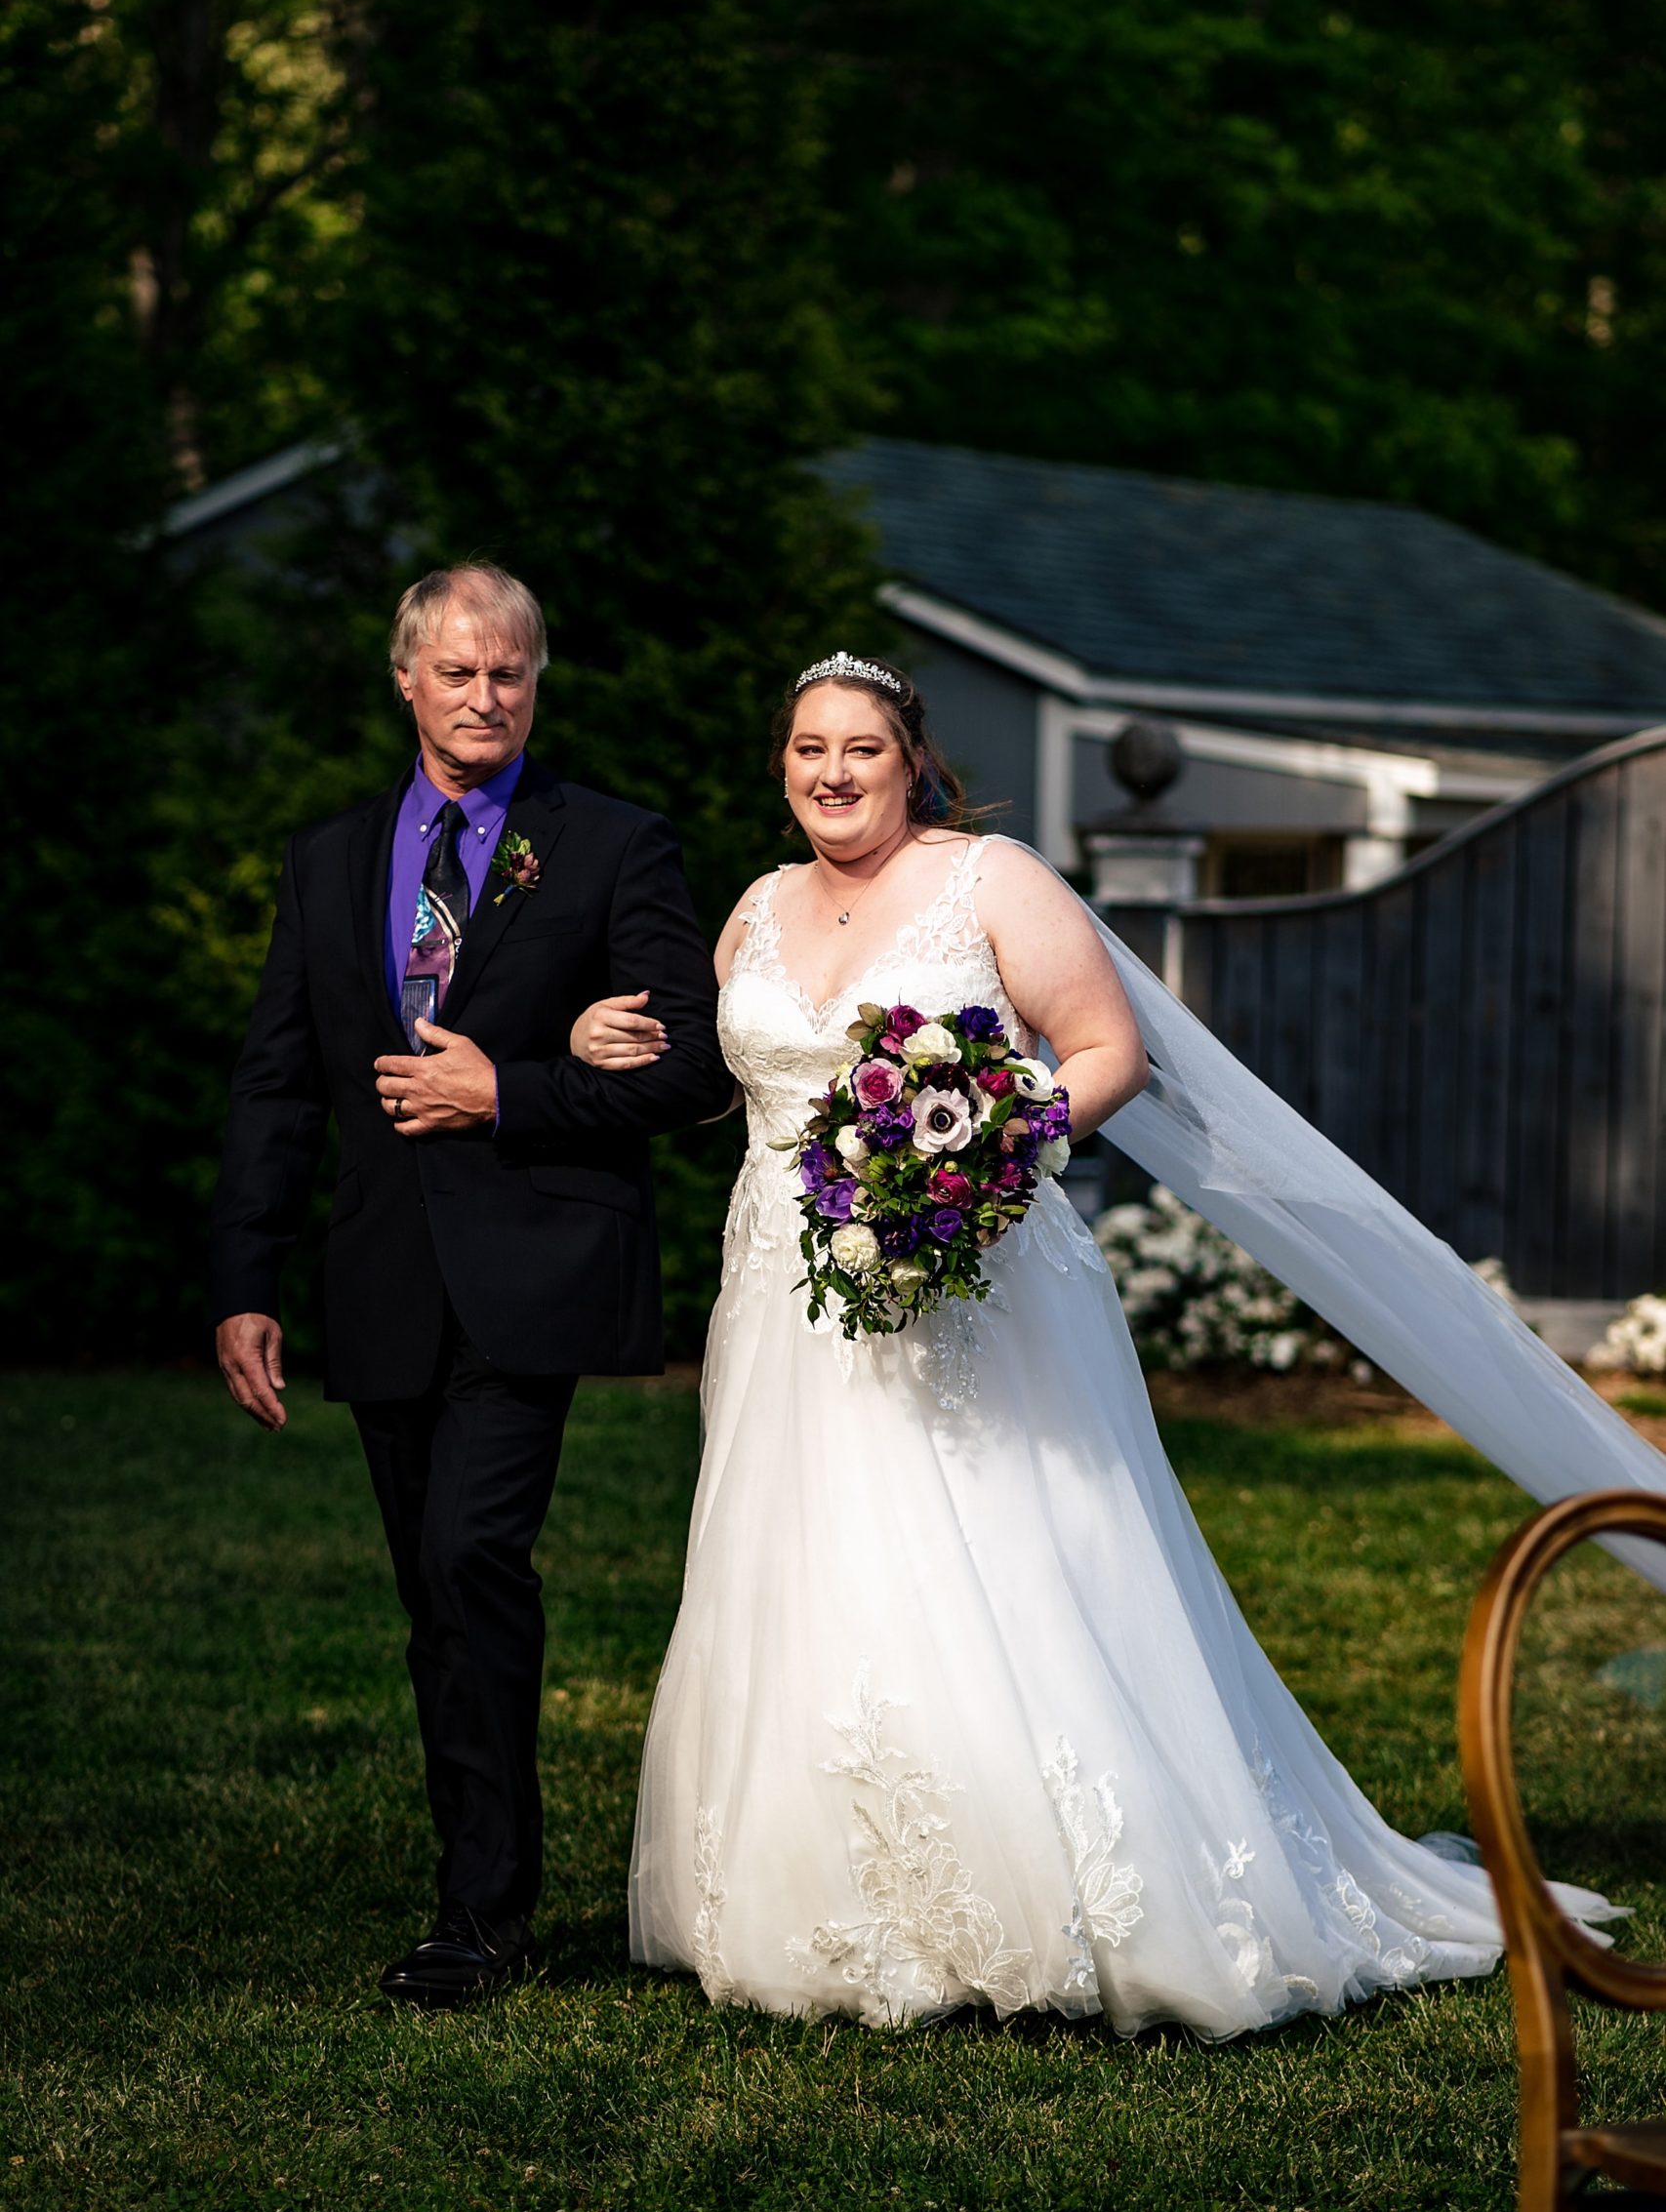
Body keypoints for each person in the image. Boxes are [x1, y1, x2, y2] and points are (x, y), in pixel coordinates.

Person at [567, 650, 1624, 2036]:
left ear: (909, 759)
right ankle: (816, 1895)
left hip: (974, 1283)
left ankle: (1057, 1894)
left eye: (861, 751)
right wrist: (606, 1043)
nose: (832, 773)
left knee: (1001, 1555)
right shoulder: (756, 910)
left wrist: (989, 1156)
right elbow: (730, 1084)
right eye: (808, 750)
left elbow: (1104, 1049)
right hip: (785, 1298)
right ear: (784, 766)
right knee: (805, 1558)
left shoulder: (990, 881)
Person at [209, 564, 732, 2008]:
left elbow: (693, 1062)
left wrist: (514, 1091)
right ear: (406, 680)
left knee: (470, 1559)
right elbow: (275, 1084)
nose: (485, 698)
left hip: (532, 1272)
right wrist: (243, 1277)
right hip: (379, 1274)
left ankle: (484, 1912)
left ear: (536, 680)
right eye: (458, 673)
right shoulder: (327, 862)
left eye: (510, 673)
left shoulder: (615, 846)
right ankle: (474, 1872)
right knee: (428, 1599)